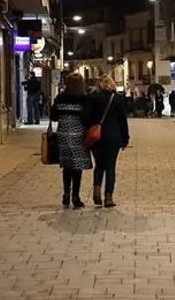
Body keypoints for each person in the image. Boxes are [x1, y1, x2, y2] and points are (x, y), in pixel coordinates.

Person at [50, 74, 92, 208]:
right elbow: (88, 117)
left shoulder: (61, 97)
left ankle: (66, 194)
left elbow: (53, 116)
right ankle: (75, 196)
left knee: (67, 166)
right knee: (77, 167)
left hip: (63, 134)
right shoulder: (84, 99)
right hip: (78, 135)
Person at [89, 75, 129, 208]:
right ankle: (108, 197)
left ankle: (96, 189)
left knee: (99, 165)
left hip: (97, 137)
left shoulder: (93, 98)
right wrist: (125, 138)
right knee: (110, 166)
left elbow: (88, 118)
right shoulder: (117, 98)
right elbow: (123, 120)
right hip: (113, 136)